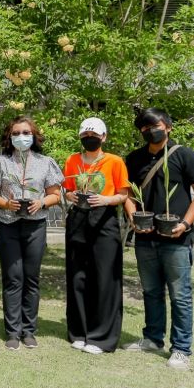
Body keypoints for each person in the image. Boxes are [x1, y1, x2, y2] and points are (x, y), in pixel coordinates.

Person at [124, 108, 194, 370]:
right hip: (145, 238)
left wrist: (185, 223)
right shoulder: (135, 158)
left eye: (155, 125)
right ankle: (152, 338)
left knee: (180, 294)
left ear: (168, 126)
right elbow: (127, 193)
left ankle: (182, 348)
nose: (150, 130)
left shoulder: (183, 154)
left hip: (177, 239)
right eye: (144, 127)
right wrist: (133, 217)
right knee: (150, 291)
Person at [0, 116, 64, 351]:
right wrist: (5, 203)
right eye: (16, 133)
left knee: (31, 277)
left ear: (34, 136)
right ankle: (12, 331)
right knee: (13, 277)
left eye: (26, 132)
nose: (21, 137)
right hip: (7, 224)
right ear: (9, 137)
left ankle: (29, 330)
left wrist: (41, 202)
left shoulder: (46, 162)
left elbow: (56, 194)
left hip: (35, 225)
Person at [62, 117, 129, 355]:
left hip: (104, 219)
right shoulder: (72, 160)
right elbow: (68, 188)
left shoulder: (115, 161)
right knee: (77, 275)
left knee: (105, 277)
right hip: (78, 218)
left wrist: (106, 200)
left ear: (104, 137)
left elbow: (123, 194)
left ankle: (102, 337)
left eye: (94, 135)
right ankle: (78, 331)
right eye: (85, 135)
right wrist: (69, 196)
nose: (89, 139)